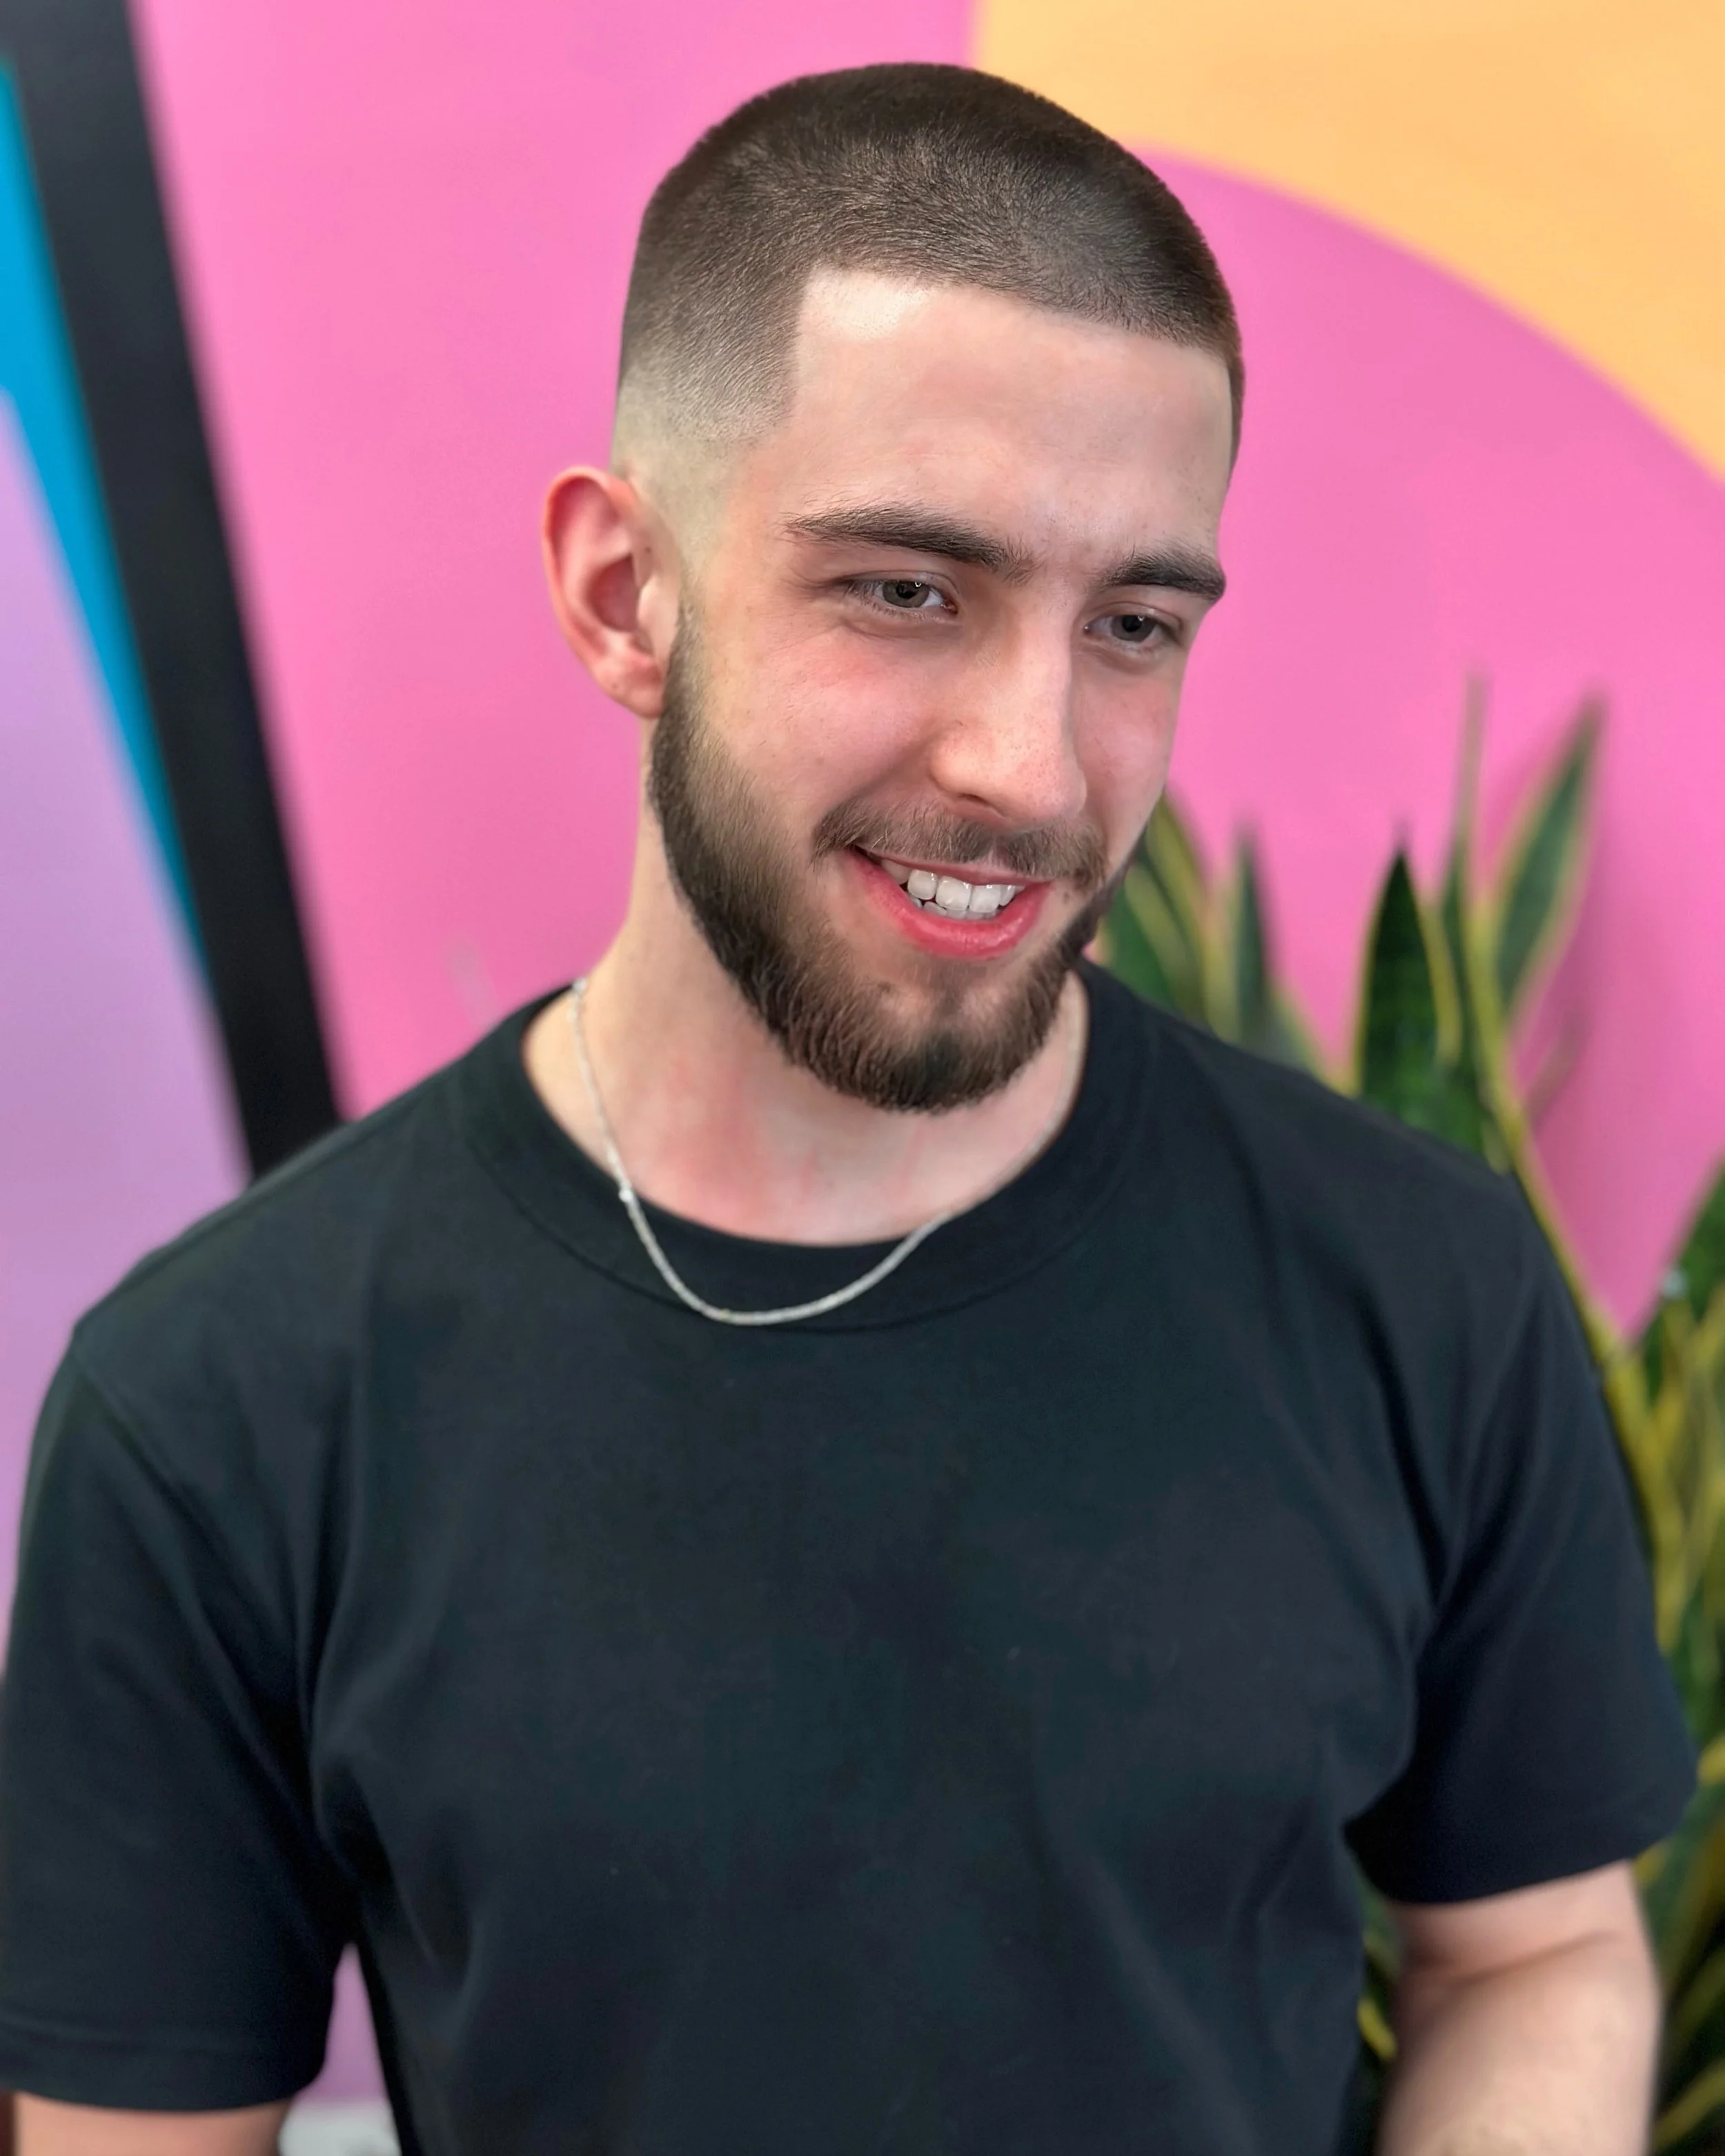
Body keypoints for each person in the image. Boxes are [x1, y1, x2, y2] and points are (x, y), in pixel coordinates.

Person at [0, 62, 1695, 2156]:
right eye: (907, 587)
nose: (1035, 765)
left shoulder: (1414, 1285)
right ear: (626, 592)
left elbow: (1528, 1948)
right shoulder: (220, 1405)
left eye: (1133, 625)